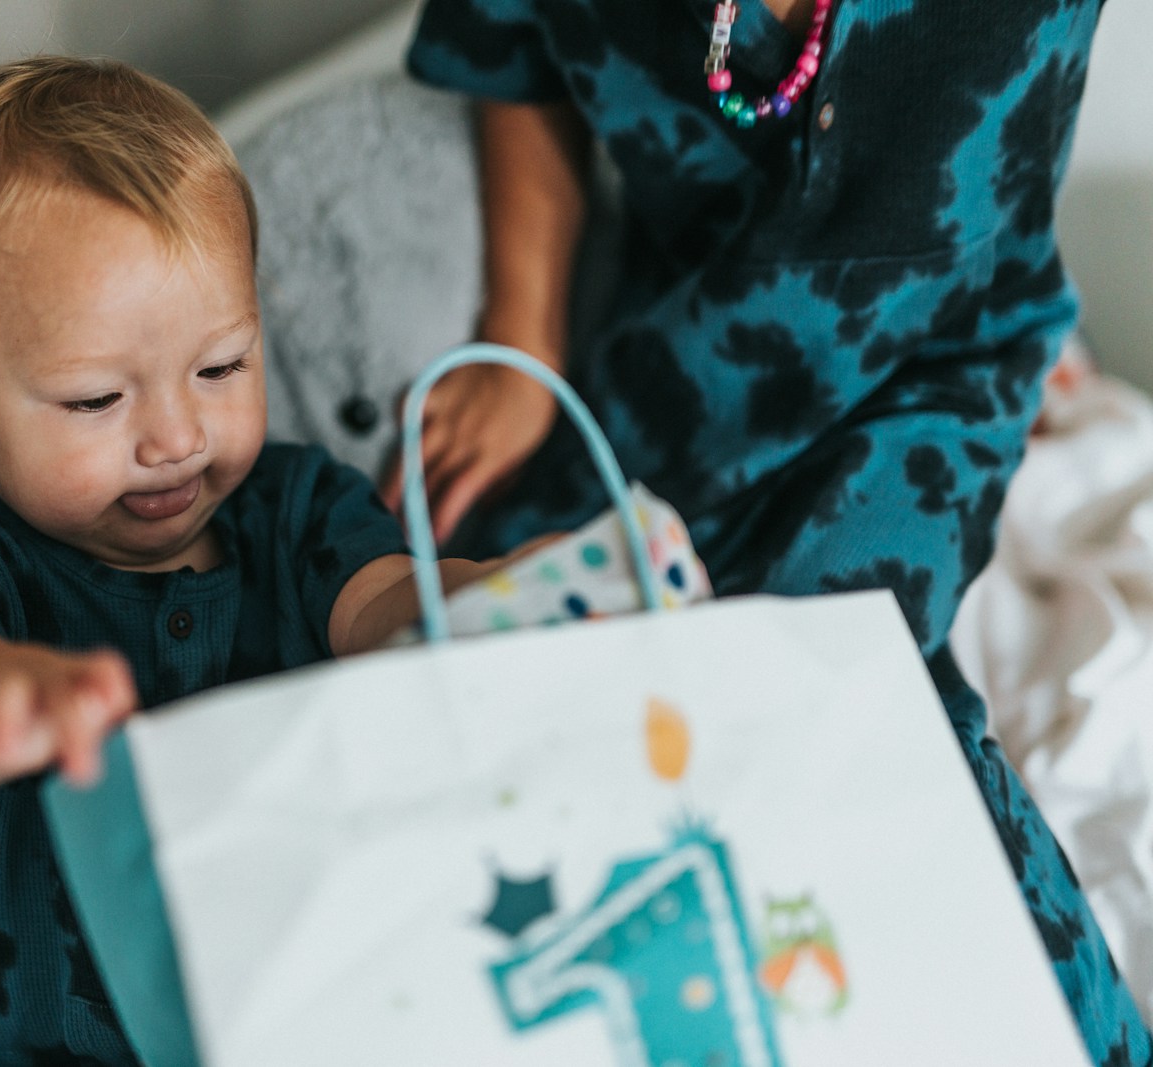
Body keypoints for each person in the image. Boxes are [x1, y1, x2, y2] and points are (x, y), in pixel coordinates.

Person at [392, 0, 1152, 1062]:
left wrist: (1005, 238)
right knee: (488, 707)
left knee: (855, 720)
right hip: (679, 376)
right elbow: (509, 44)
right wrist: (522, 327)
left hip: (924, 387)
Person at [0, 56, 512, 1064]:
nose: (175, 437)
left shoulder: (294, 506)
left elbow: (387, 603)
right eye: (94, 399)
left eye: (221, 367)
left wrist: (502, 598)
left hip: (331, 1017)